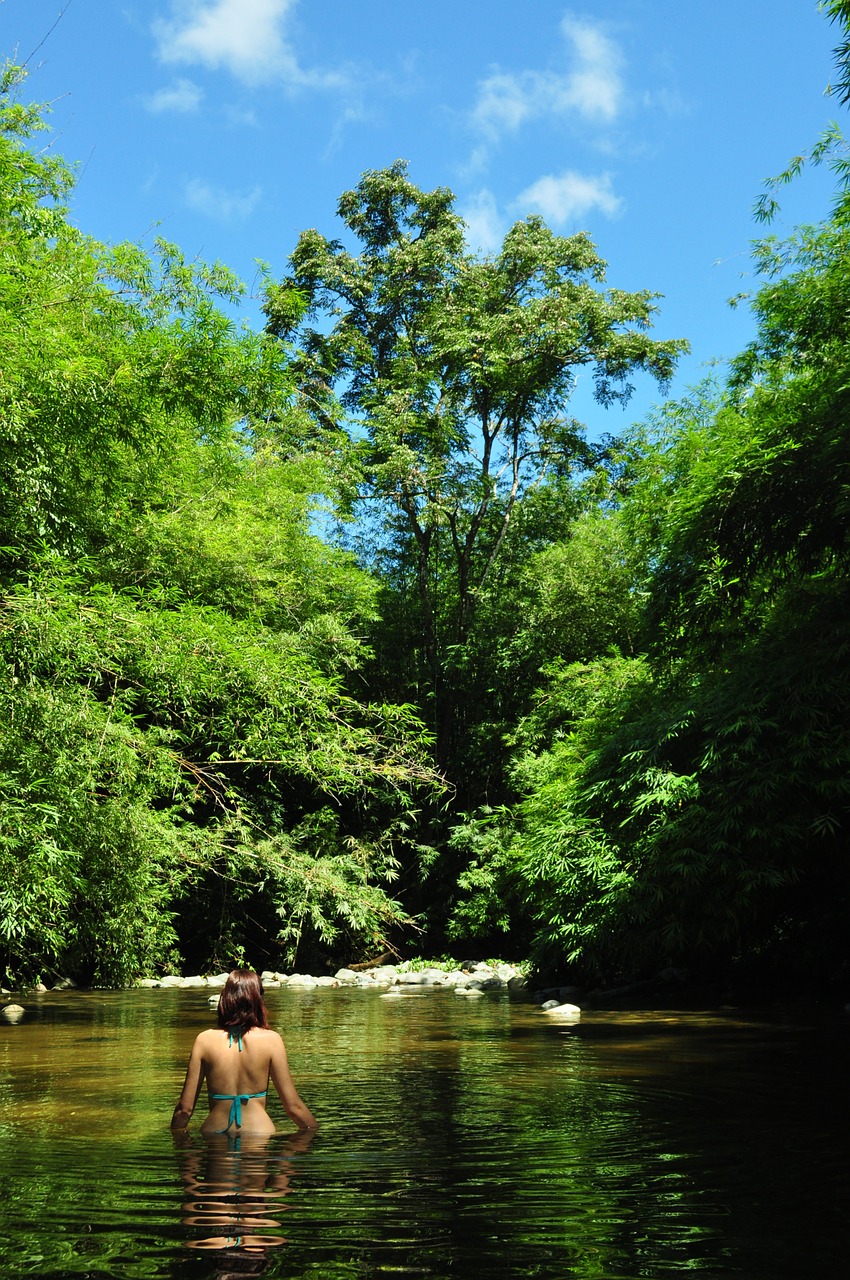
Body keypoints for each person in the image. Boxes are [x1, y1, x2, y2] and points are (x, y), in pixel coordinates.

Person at [171, 968, 317, 1135]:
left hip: (214, 1134)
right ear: (258, 1000)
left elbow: (184, 1110)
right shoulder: (272, 1040)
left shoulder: (204, 1040)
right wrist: (314, 1133)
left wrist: (179, 1148)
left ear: (225, 998)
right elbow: (293, 1107)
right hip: (260, 1133)